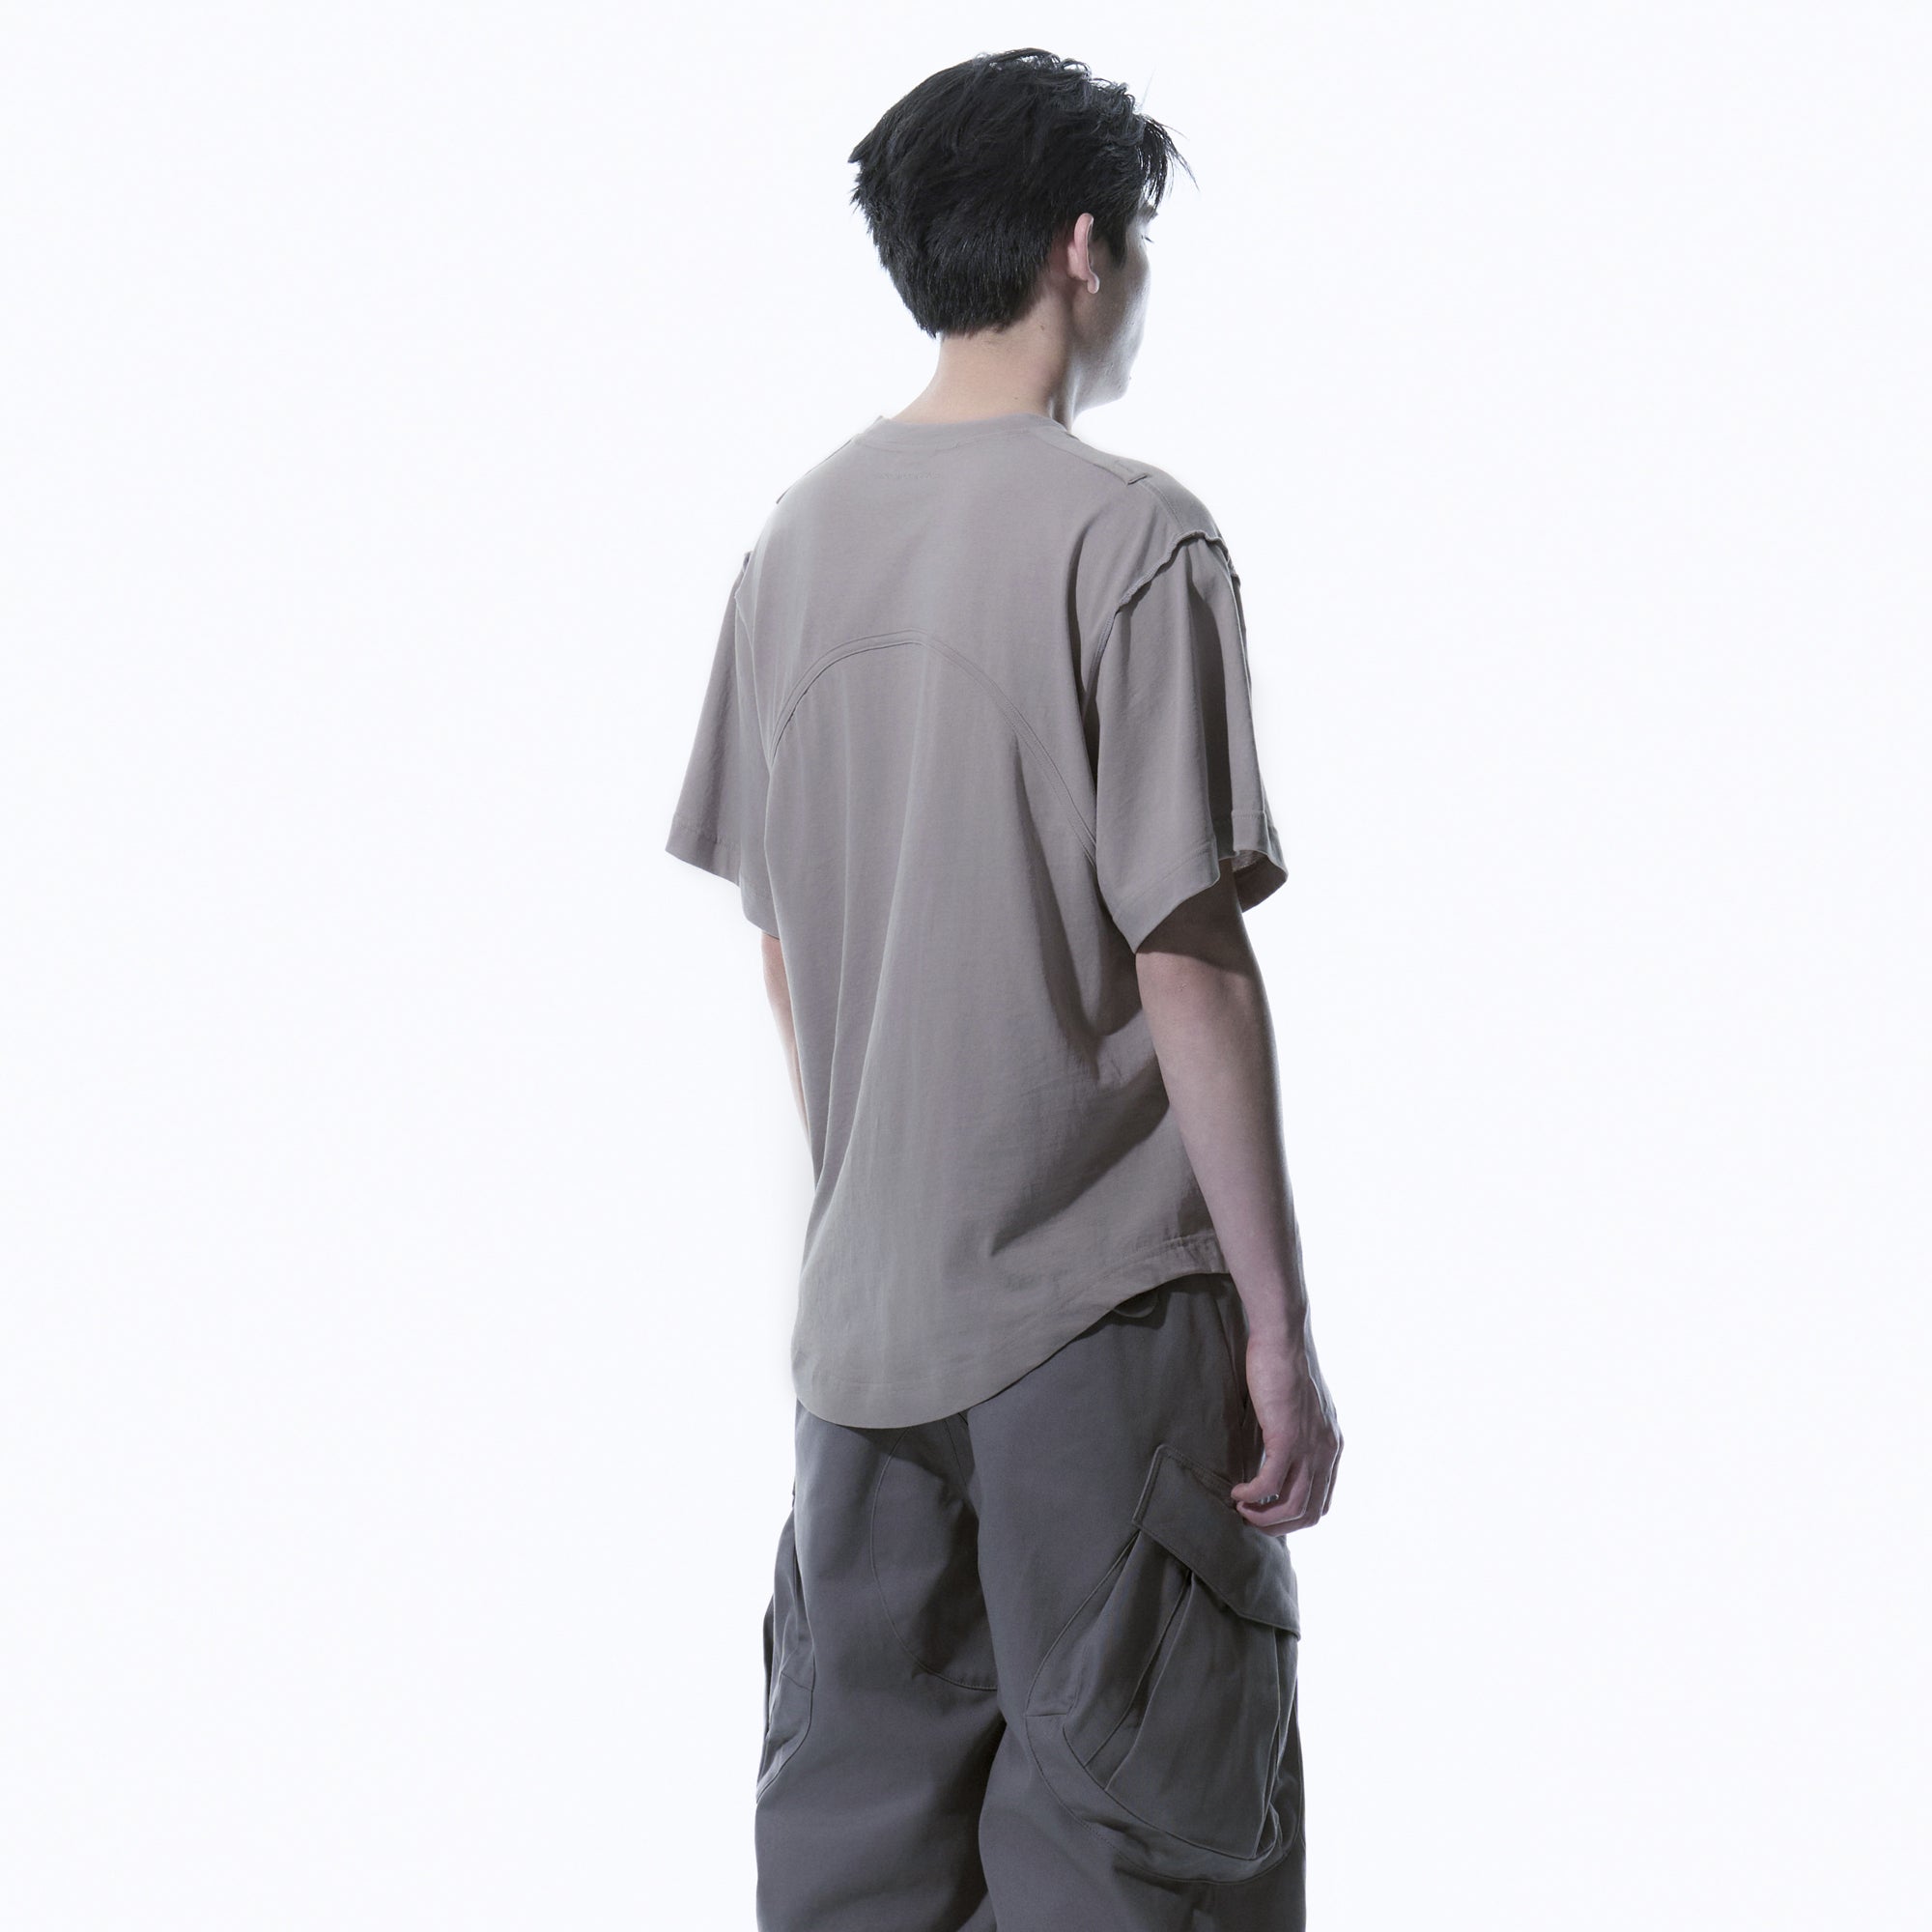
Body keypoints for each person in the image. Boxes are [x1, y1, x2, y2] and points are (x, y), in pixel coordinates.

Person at [665, 46, 1342, 1932]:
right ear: (1083, 248)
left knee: (860, 1864)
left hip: (861, 1336)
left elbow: (783, 937)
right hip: (1098, 1323)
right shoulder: (1132, 537)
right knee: (1141, 1853)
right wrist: (1277, 1326)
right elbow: (1185, 954)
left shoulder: (792, 542)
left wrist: (883, 1195)